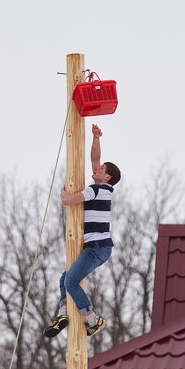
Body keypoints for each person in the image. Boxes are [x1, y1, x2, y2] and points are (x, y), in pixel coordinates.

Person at [43, 124, 121, 339]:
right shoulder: (103, 189)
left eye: (102, 169)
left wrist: (63, 193)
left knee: (70, 281)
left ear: (107, 177)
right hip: (96, 247)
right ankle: (62, 314)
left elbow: (68, 200)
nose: (97, 169)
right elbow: (95, 159)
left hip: (98, 248)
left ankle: (92, 320)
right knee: (64, 278)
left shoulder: (96, 190)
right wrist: (96, 138)